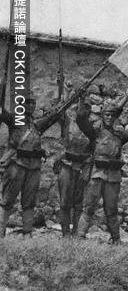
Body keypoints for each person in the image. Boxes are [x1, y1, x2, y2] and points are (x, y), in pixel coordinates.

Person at [56, 85, 128, 237]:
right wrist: (66, 91)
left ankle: (77, 233)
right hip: (68, 164)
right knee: (65, 201)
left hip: (85, 167)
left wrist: (126, 97)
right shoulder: (70, 122)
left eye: (88, 108)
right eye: (83, 107)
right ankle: (66, 234)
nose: (85, 110)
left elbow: (113, 113)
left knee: (80, 203)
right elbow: (61, 109)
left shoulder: (95, 127)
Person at [75, 93, 128, 243]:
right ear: (102, 116)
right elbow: (80, 119)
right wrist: (81, 99)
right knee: (89, 207)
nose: (109, 117)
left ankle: (116, 240)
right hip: (96, 175)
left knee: (111, 210)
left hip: (113, 177)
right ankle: (79, 237)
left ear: (115, 117)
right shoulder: (95, 132)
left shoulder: (120, 135)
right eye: (106, 114)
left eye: (112, 115)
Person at [0, 97, 70, 237]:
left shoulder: (36, 124)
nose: (31, 105)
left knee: (29, 201)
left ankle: (27, 232)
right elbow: (2, 112)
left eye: (33, 103)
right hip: (16, 164)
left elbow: (52, 117)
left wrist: (65, 101)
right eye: (28, 102)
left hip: (33, 166)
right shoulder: (15, 119)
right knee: (7, 199)